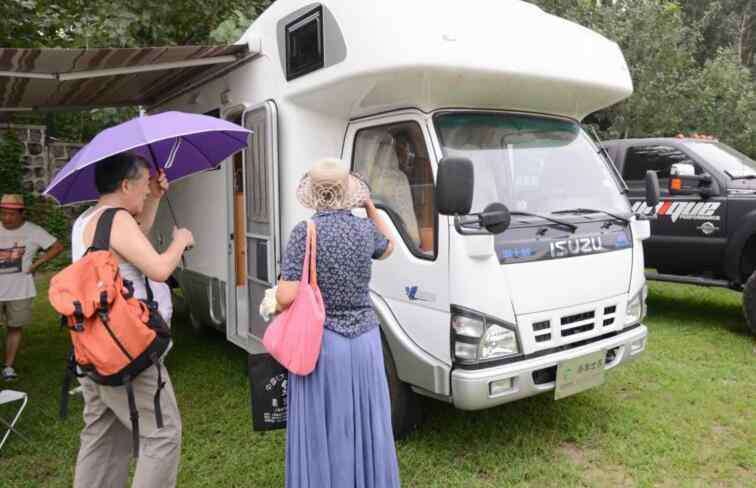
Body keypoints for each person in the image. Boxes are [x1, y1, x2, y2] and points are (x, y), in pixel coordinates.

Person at [70, 153, 194, 488]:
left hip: (92, 346)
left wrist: (153, 198)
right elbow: (157, 268)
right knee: (162, 434)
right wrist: (180, 241)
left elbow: (133, 241)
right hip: (126, 346)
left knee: (103, 435)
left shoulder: (88, 219)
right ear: (125, 184)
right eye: (142, 184)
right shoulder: (116, 219)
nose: (145, 190)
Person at [277, 157, 400, 488]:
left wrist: (272, 299)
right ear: (348, 192)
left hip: (323, 343)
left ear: (314, 194)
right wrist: (370, 208)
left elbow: (287, 295)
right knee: (366, 422)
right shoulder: (364, 230)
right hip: (365, 342)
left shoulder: (305, 232)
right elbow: (390, 246)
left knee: (325, 424)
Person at [0, 193, 64, 381]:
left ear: (22, 213)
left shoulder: (33, 231)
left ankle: (8, 367)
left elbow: (57, 246)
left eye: (11, 214)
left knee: (14, 327)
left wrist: (36, 264)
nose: (6, 218)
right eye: (3, 214)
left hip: (20, 290)